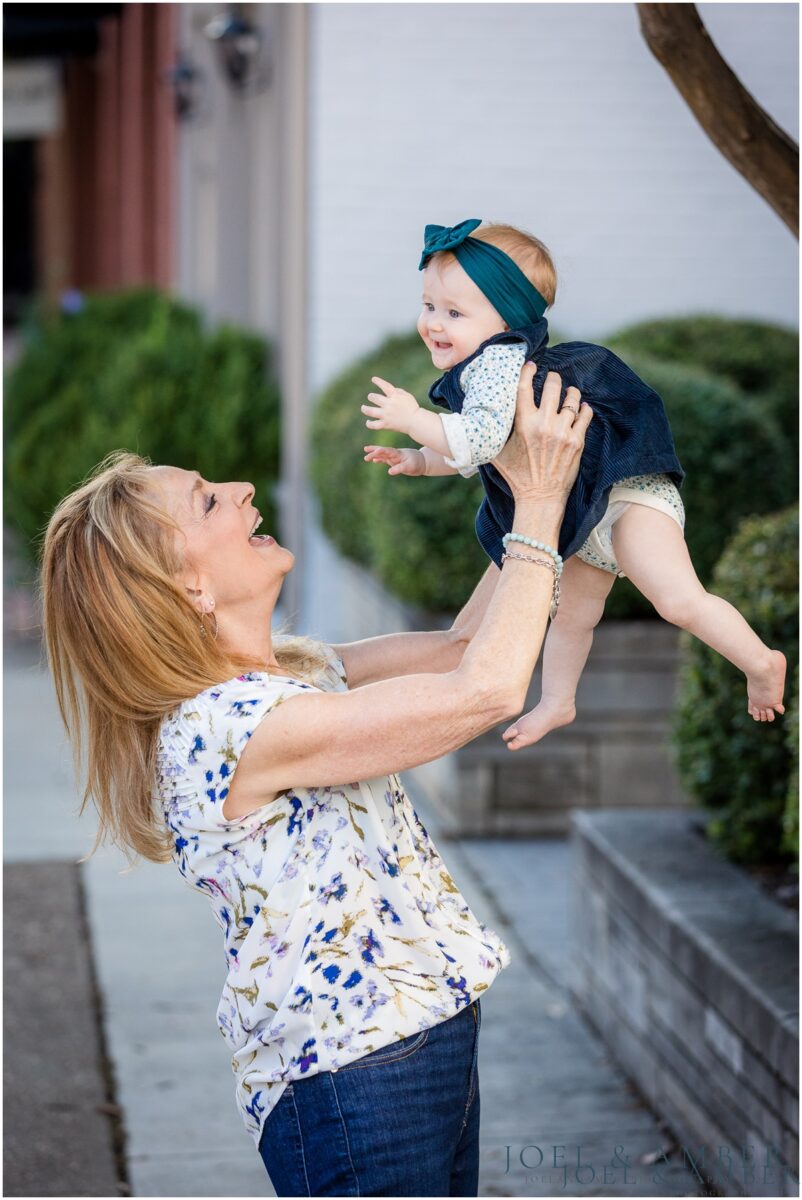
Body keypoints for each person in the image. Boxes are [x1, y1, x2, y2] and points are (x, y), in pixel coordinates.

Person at [41, 364, 591, 1197]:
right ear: (185, 584)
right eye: (209, 501)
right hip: (354, 1082)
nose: (242, 489)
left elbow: (459, 650)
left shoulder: (296, 672)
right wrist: (544, 505)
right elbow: (485, 691)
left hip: (419, 1041)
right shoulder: (224, 727)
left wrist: (539, 488)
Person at [363, 218, 786, 749]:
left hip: (626, 498)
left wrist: (412, 418)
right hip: (583, 515)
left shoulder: (497, 363)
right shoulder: (485, 365)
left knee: (678, 601)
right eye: (429, 306)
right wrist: (421, 459)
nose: (433, 324)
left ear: (505, 321)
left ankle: (760, 661)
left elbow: (479, 439)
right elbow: (478, 450)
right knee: (571, 621)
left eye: (453, 312)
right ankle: (558, 703)